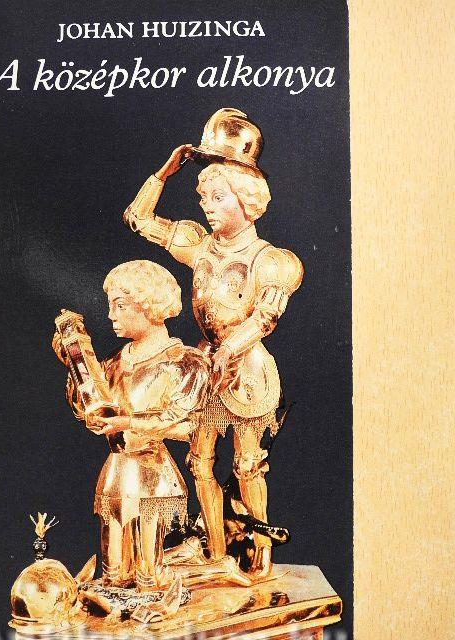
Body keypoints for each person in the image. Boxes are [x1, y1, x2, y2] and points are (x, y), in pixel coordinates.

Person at [123, 109, 304, 578]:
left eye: (217, 197)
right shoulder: (199, 246)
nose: (206, 205)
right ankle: (217, 552)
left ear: (248, 200)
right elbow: (138, 219)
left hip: (246, 369)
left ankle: (261, 549)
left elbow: (264, 318)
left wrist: (227, 350)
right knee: (200, 461)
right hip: (208, 366)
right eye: (203, 196)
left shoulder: (272, 261)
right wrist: (164, 174)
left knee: (248, 464)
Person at [52, 260, 209, 591]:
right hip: (117, 472)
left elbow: (188, 426)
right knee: (115, 577)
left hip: (152, 473)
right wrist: (74, 365)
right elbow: (92, 405)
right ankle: (185, 557)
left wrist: (126, 422)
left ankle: (207, 566)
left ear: (149, 305)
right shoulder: (112, 363)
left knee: (149, 577)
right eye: (111, 305)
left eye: (120, 305)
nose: (111, 315)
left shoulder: (183, 363)